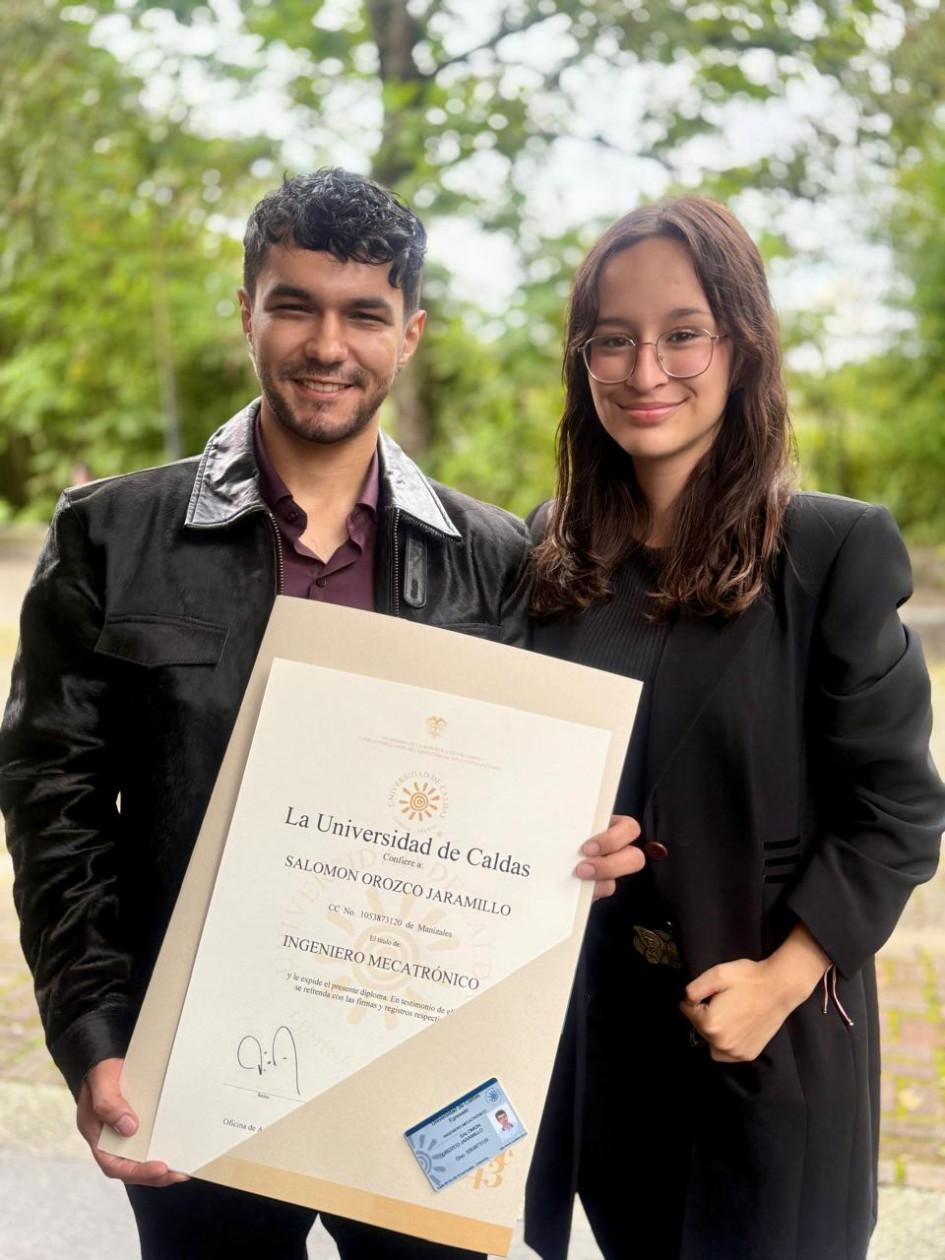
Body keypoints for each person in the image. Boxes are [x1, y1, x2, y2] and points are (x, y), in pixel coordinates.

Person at [0, 169, 641, 1260]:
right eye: (293, 304)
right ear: (245, 309)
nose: (325, 344)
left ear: (411, 333)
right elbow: (55, 811)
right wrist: (97, 1034)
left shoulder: (492, 561)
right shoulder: (110, 537)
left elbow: (514, 809)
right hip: (195, 1061)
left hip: (424, 1075)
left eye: (363, 314)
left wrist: (582, 840)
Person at [523, 197, 945, 1260]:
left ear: (741, 344)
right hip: (605, 1045)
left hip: (771, 1039)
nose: (644, 368)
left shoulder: (832, 552)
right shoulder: (547, 556)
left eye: (682, 333)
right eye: (610, 340)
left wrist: (786, 976)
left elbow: (897, 809)